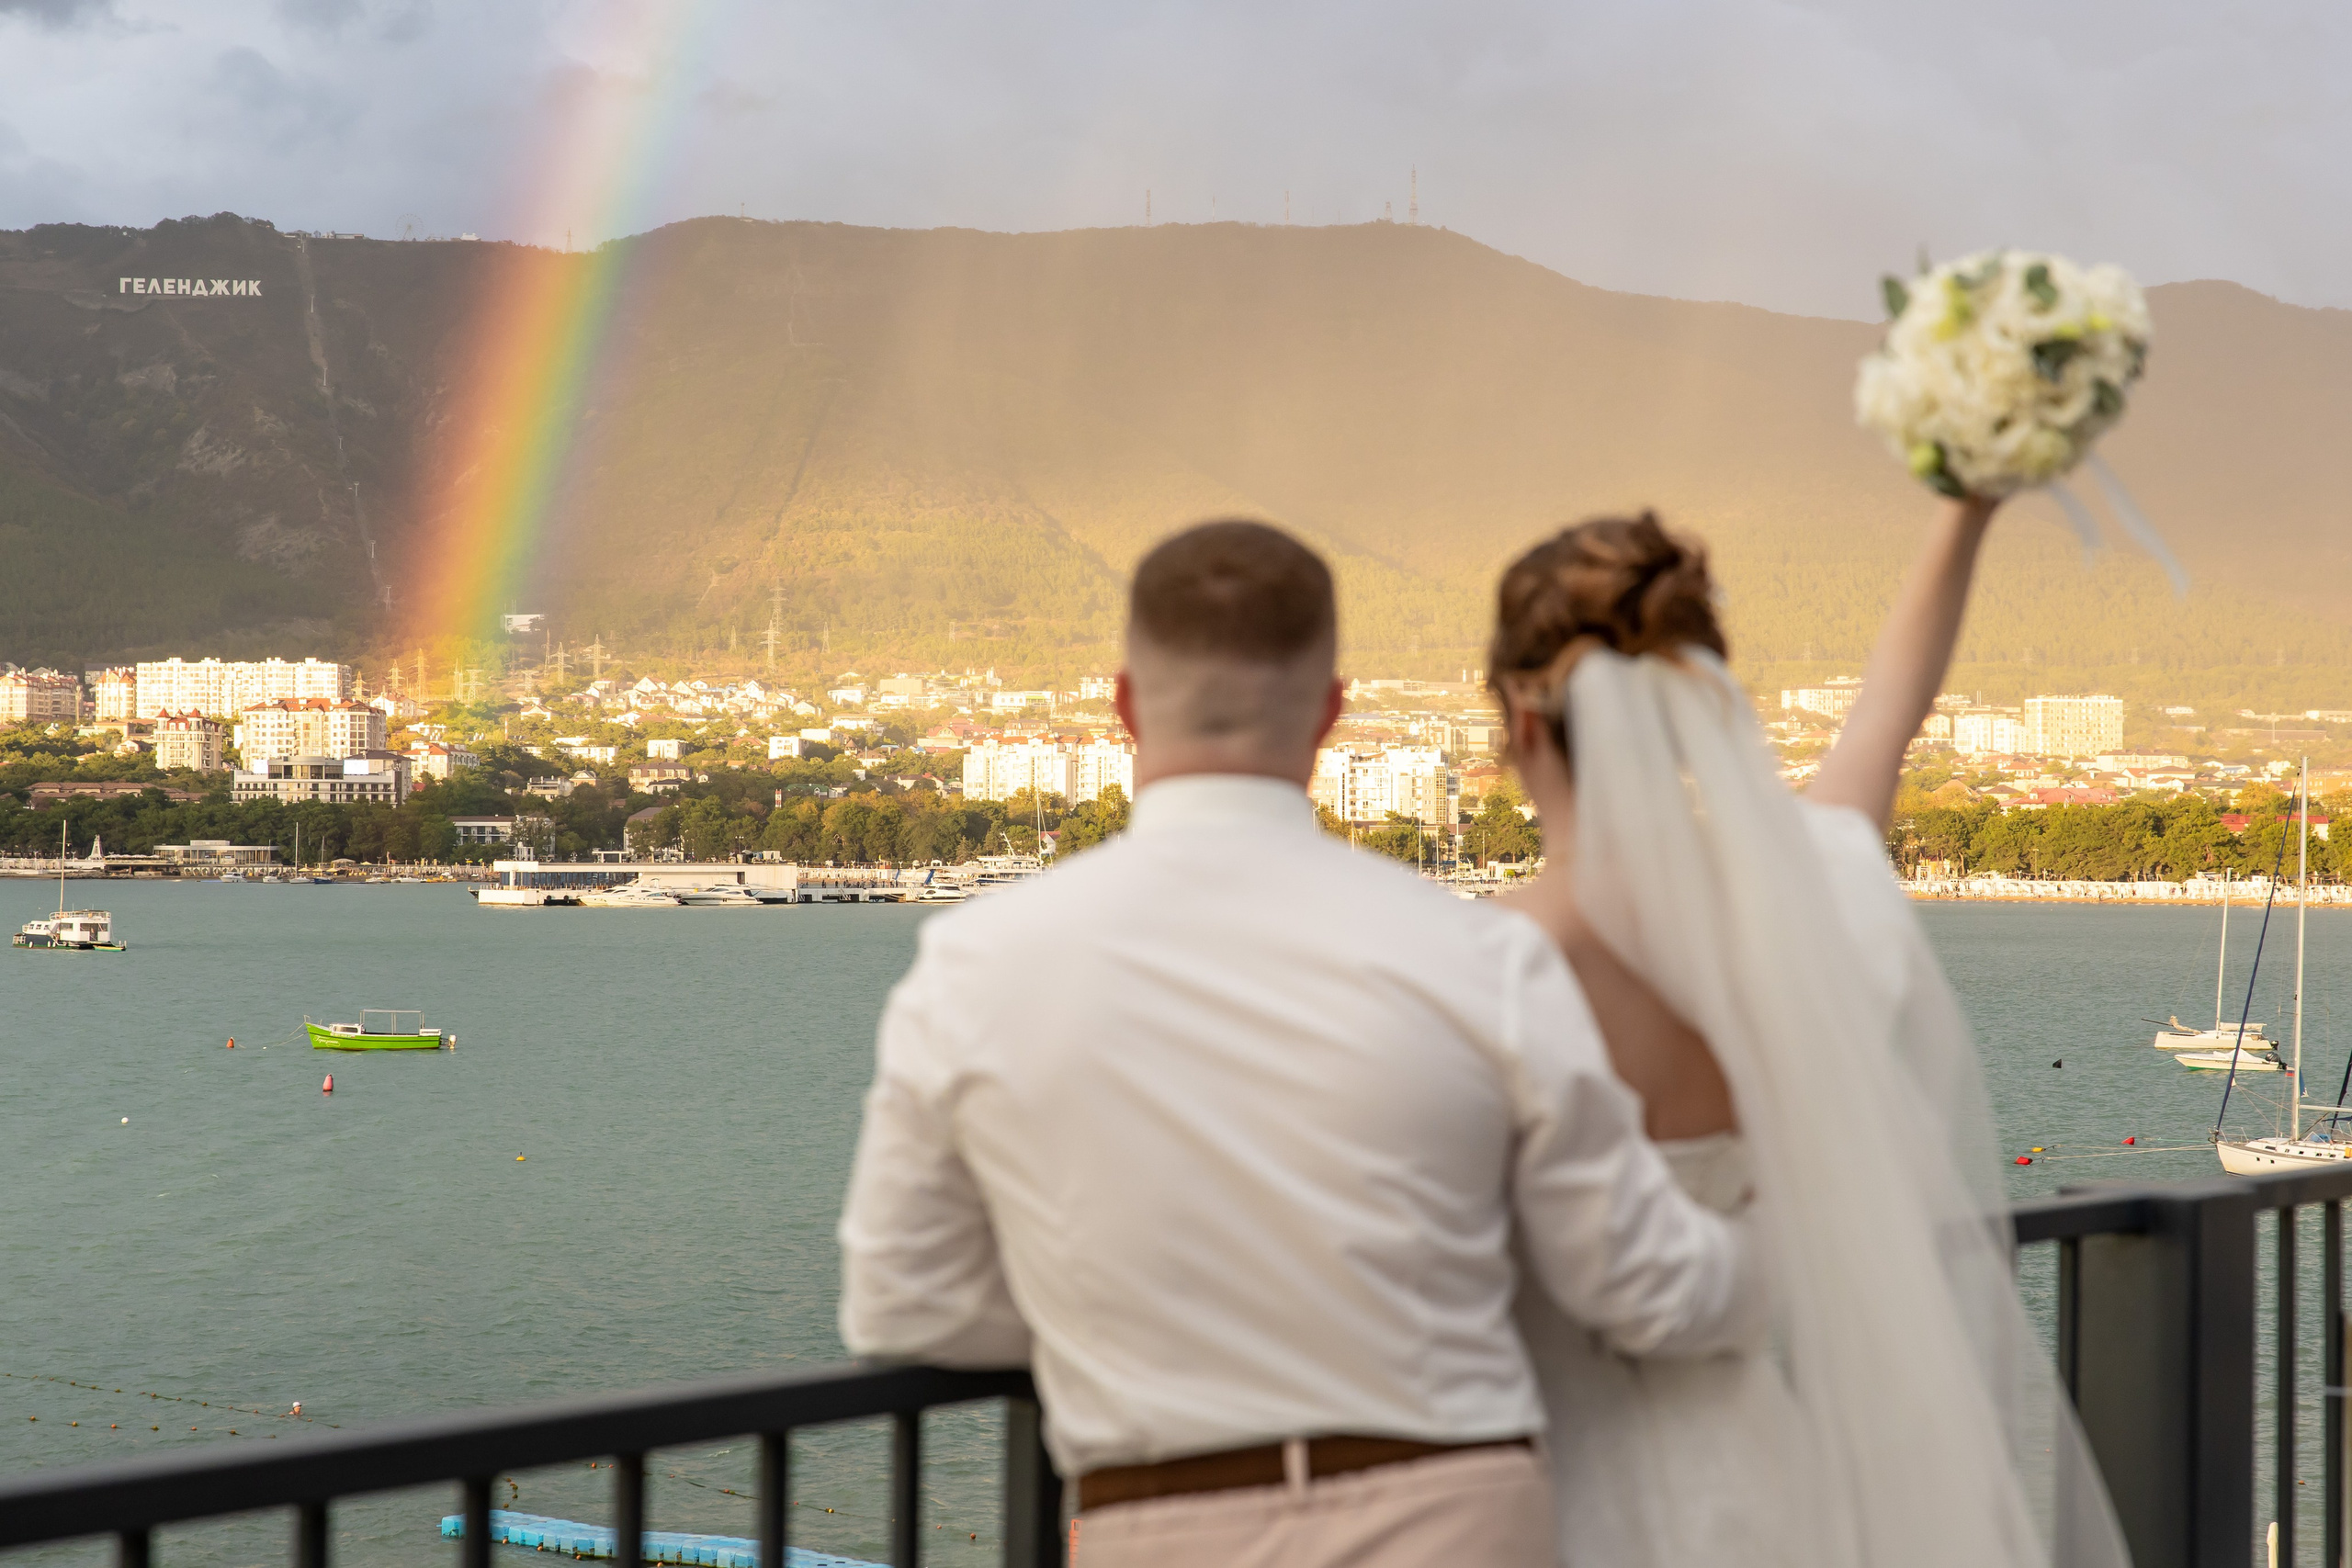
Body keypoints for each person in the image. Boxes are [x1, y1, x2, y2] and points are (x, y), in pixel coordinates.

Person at [837, 519, 1765, 1568]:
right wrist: (1795, 1245)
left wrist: (1118, 1302)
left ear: (1126, 705)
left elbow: (903, 1302)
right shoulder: (1478, 954)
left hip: (1155, 1526)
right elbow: (1643, 1287)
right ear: (1331, 711)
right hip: (1457, 1516)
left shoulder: (968, 965)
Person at [1486, 501, 2131, 1568]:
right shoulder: (1796, 911)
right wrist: (1963, 507)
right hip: (1767, 1491)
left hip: (1554, 1501)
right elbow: (1887, 713)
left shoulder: (1483, 966)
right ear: (1699, 695)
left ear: (1518, 718)